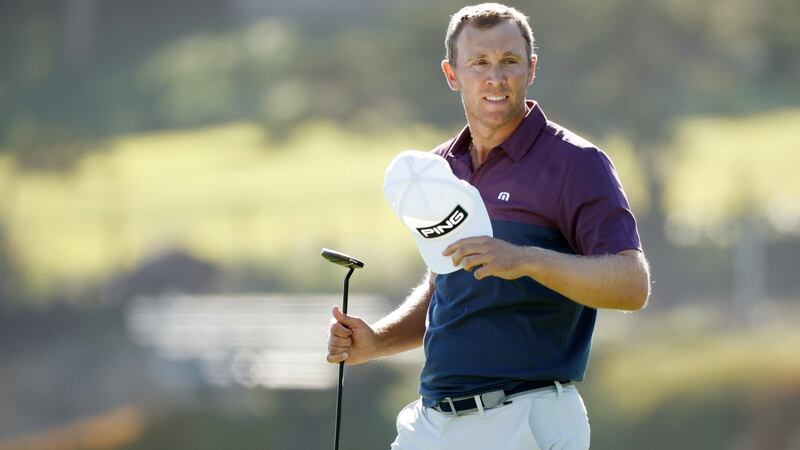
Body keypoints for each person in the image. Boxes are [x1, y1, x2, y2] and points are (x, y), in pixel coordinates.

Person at [327, 3, 650, 449]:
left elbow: (632, 285)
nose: (495, 78)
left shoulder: (576, 164)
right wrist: (377, 341)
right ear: (452, 74)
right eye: (478, 63)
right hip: (432, 420)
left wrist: (525, 260)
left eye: (509, 62)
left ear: (531, 68)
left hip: (526, 418)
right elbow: (447, 285)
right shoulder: (439, 168)